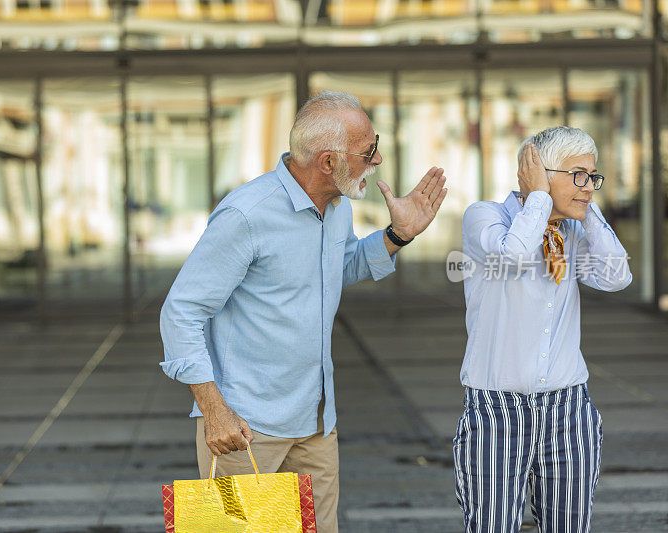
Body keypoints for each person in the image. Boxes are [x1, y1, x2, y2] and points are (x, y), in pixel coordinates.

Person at [159, 90, 448, 532]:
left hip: (315, 424)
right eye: (368, 151)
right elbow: (181, 312)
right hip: (246, 429)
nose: (378, 160)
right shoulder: (246, 214)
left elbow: (341, 265)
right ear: (329, 162)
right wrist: (213, 409)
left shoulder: (336, 207)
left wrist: (397, 236)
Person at [453, 126, 632, 533]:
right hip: (497, 410)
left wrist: (587, 211)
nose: (589, 187)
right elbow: (514, 255)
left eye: (593, 176)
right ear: (538, 173)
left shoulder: (572, 230)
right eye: (578, 175)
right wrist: (538, 199)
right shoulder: (486, 217)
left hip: (568, 409)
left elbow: (616, 275)